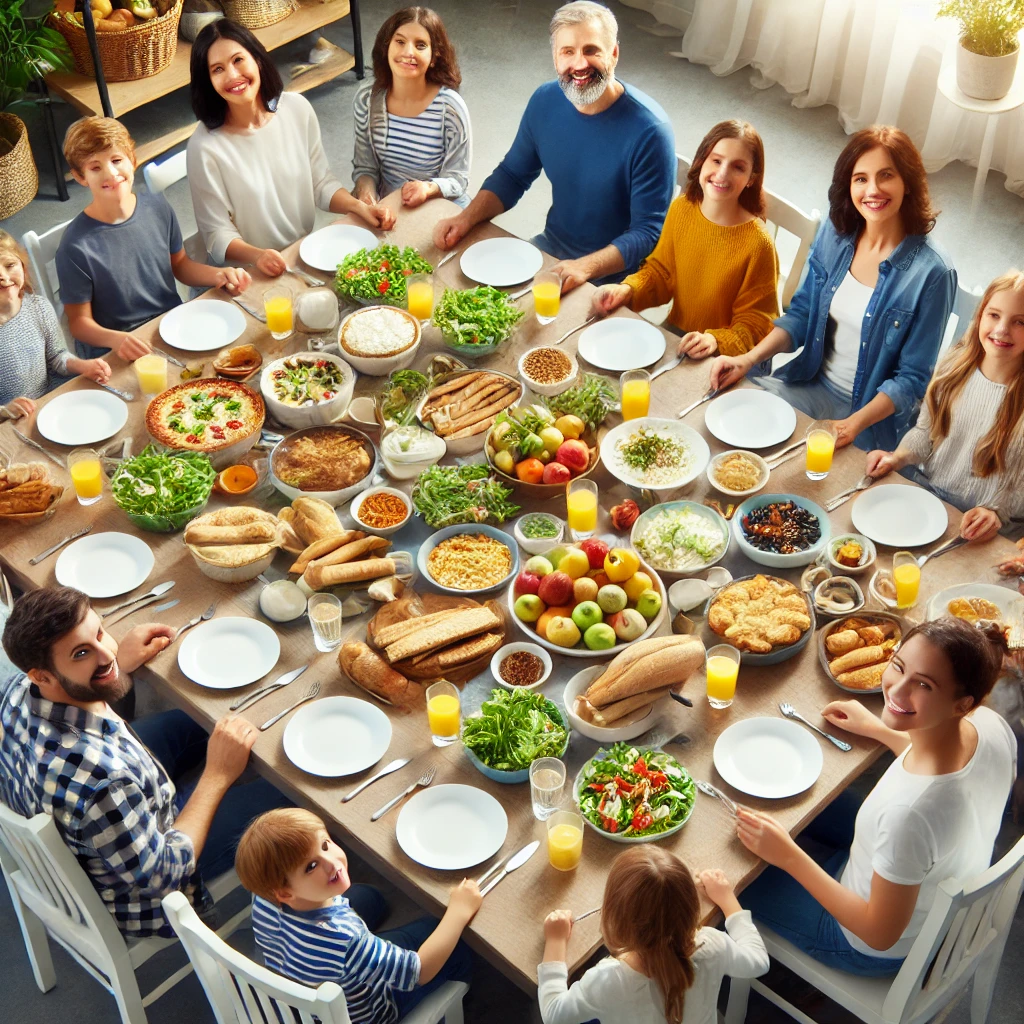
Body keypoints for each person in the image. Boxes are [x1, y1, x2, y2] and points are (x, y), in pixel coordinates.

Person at [0, 587, 289, 938]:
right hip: (149, 890)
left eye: (100, 633)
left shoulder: (17, 691)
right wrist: (217, 775)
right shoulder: (101, 785)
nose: (107, 653)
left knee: (200, 720)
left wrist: (116, 669)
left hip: (94, 814)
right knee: (287, 787)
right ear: (41, 675)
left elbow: (100, 677)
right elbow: (167, 875)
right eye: (81, 653)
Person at [736, 618, 1016, 976]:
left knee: (734, 879)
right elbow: (941, 771)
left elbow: (879, 933)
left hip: (865, 942)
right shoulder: (992, 726)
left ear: (962, 705)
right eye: (898, 666)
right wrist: (879, 728)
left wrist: (789, 857)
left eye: (924, 686)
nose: (897, 691)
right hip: (930, 878)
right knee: (808, 792)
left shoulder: (909, 816)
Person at [708, 125, 956, 451]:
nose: (873, 190)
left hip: (870, 422)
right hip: (811, 384)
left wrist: (851, 426)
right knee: (731, 427)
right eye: (861, 178)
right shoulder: (836, 234)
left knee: (804, 483)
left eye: (886, 176)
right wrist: (747, 358)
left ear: (908, 182)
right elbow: (801, 314)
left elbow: (911, 381)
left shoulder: (934, 272)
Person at [432, 1, 674, 291]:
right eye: (568, 51)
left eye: (591, 50)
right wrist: (465, 218)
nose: (579, 64)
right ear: (555, 57)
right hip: (550, 249)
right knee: (462, 293)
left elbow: (647, 233)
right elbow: (512, 175)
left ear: (614, 54)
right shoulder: (545, 100)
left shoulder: (650, 131)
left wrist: (585, 267)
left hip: (614, 278)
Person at [187, 19, 394, 278]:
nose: (232, 75)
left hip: (303, 254)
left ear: (257, 59)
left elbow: (321, 184)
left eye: (238, 60)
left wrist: (359, 207)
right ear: (208, 81)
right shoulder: (204, 147)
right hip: (245, 274)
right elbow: (217, 235)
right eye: (217, 69)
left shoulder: (297, 109)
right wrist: (258, 256)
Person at [235, 808, 478, 1024]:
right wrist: (458, 912)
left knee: (370, 897)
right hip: (373, 1014)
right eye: (311, 866)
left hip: (303, 975)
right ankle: (464, 994)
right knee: (447, 936)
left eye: (325, 845)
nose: (332, 863)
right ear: (285, 893)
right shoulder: (346, 940)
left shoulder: (264, 897)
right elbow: (419, 971)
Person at [56, 117, 251, 361]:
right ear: (80, 177)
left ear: (133, 161)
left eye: (117, 160)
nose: (111, 173)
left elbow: (180, 265)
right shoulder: (74, 247)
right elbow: (79, 323)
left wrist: (219, 275)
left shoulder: (158, 207)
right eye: (95, 168)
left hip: (171, 326)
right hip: (118, 347)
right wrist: (115, 339)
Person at [592, 120, 779, 358]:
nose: (722, 174)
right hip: (680, 333)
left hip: (727, 353)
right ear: (701, 161)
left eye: (738, 167)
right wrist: (628, 289)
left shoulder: (759, 244)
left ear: (752, 178)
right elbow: (661, 273)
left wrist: (714, 339)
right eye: (717, 160)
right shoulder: (682, 208)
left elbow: (756, 323)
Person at [865, 270, 1024, 542]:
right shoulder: (953, 369)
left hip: (991, 526)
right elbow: (925, 434)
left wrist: (995, 510)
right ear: (981, 315)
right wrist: (897, 456)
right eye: (994, 315)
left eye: (1020, 322)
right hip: (930, 496)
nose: (1001, 330)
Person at [539, 846, 768, 1024]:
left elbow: (553, 1015)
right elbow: (758, 961)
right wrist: (728, 900)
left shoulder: (607, 980)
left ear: (613, 918)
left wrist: (556, 941)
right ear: (692, 907)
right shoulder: (713, 945)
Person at [353, 7, 472, 210]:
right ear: (386, 47)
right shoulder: (367, 100)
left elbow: (458, 179)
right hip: (388, 205)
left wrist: (427, 188)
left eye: (421, 45)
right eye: (400, 42)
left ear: (435, 56)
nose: (408, 52)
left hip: (438, 206)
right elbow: (366, 168)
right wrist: (366, 196)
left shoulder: (450, 109)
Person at [0, 231, 110, 420]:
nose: (3, 275)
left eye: (10, 265)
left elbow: (57, 357)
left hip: (51, 402)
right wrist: (5, 411)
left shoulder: (38, 307)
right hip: (10, 423)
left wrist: (83, 365)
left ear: (23, 267)